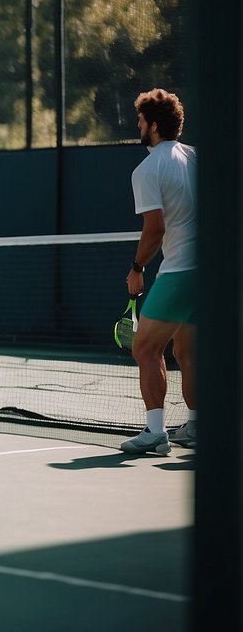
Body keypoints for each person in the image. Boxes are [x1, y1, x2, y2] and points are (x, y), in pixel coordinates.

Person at [120, 88, 197, 456]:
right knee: (188, 352)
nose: (138, 126)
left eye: (139, 120)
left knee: (146, 348)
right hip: (210, 273)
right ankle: (196, 426)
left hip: (180, 271)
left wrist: (137, 269)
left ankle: (155, 434)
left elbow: (155, 228)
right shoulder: (197, 159)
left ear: (152, 125)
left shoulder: (148, 169)